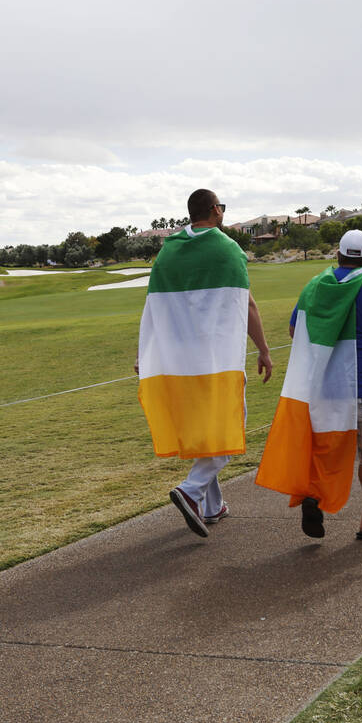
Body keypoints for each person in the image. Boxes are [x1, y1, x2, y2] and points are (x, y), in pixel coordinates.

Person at [257, 229, 362, 540]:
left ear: (338, 256)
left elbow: (295, 330)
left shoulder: (315, 287)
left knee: (327, 449)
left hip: (325, 390)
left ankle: (314, 496)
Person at [136, 188, 274, 538]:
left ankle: (212, 507)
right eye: (222, 207)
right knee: (228, 427)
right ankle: (191, 490)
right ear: (215, 210)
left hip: (177, 363)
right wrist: (263, 349)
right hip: (216, 360)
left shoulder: (167, 252)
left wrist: (146, 354)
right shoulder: (228, 249)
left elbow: (154, 307)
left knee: (204, 430)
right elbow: (247, 304)